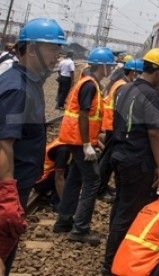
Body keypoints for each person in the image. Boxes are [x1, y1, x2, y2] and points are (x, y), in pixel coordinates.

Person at [0, 17, 65, 272]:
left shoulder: (30, 83)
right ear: (31, 47)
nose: (57, 55)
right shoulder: (17, 88)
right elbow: (3, 145)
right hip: (9, 189)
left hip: (18, 185)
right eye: (52, 48)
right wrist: (7, 198)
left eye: (59, 49)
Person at [102, 48, 159, 275]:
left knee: (120, 206)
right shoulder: (151, 95)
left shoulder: (125, 88)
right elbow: (154, 133)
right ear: (158, 71)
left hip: (119, 155)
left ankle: (112, 256)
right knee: (128, 212)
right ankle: (112, 265)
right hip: (137, 160)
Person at [53, 46, 116, 244]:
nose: (111, 70)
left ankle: (63, 221)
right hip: (79, 141)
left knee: (74, 179)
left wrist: (94, 138)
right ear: (103, 66)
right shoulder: (90, 85)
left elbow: (89, 117)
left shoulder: (89, 83)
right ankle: (80, 229)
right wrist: (88, 144)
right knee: (93, 181)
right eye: (110, 66)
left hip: (76, 139)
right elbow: (83, 114)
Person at [98, 58, 142, 200]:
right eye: (139, 73)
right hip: (113, 126)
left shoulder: (120, 82)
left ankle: (102, 186)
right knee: (107, 159)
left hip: (112, 124)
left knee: (108, 157)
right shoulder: (123, 85)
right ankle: (100, 189)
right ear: (133, 72)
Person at [33, 137, 70, 209]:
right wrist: (65, 202)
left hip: (39, 175)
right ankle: (56, 201)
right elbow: (59, 177)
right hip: (39, 181)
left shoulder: (62, 140)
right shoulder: (63, 150)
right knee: (67, 171)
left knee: (69, 169)